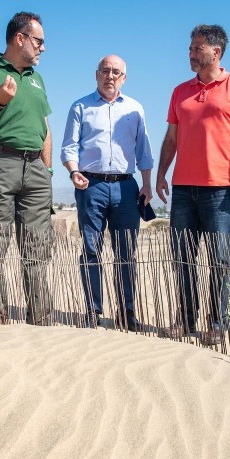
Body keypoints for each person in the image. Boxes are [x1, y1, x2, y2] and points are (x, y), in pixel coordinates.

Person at [155, 24, 230, 346]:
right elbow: (172, 138)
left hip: (220, 191)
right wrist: (162, 173)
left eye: (196, 48)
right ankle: (185, 321)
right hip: (182, 189)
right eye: (190, 48)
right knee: (183, 259)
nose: (190, 54)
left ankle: (217, 324)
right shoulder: (180, 91)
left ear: (215, 52)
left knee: (219, 261)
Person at [0, 12, 54, 326]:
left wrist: (48, 171)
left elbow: (45, 127)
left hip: (36, 170)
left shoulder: (37, 79)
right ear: (20, 38)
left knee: (38, 248)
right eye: (38, 41)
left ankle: (41, 320)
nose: (43, 48)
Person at [61, 55, 154, 331]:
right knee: (91, 249)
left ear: (124, 78)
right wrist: (74, 171)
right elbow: (69, 146)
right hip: (91, 186)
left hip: (127, 187)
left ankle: (127, 312)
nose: (110, 76)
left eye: (116, 72)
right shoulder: (80, 107)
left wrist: (147, 184)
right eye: (105, 71)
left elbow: (143, 151)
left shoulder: (135, 109)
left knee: (126, 252)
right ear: (96, 74)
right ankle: (92, 311)